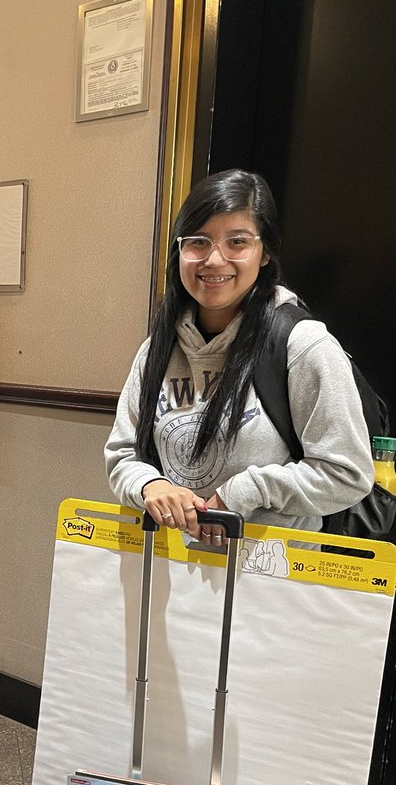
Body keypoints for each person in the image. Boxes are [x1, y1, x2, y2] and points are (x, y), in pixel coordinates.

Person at [105, 169, 374, 544]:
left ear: (265, 253)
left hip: (270, 580)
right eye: (198, 241)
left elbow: (348, 474)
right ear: (179, 251)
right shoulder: (157, 349)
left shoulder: (302, 345)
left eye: (237, 242)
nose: (214, 259)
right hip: (172, 570)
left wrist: (246, 490)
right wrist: (151, 485)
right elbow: (122, 454)